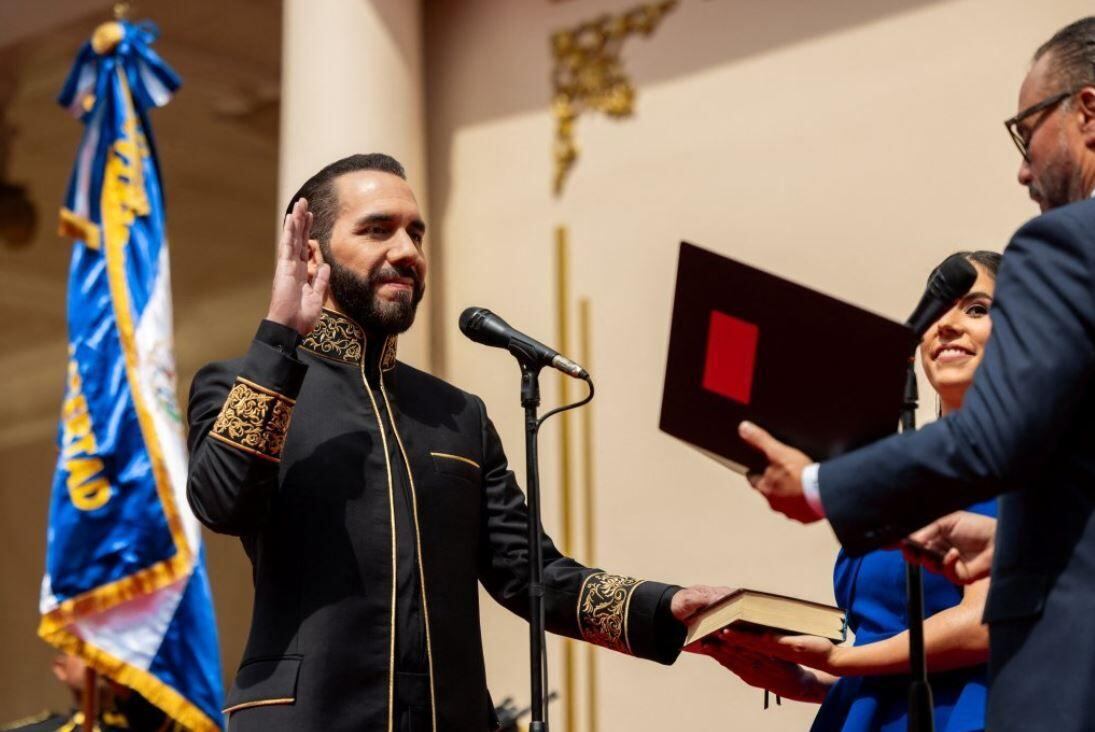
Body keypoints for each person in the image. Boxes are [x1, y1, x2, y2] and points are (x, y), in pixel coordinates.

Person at [186, 153, 727, 732]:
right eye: (377, 230)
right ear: (313, 254)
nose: (407, 251)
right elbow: (222, 503)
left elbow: (531, 576)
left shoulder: (457, 414)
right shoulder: (245, 380)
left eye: (415, 234)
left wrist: (663, 607)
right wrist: (279, 338)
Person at [732, 17, 1095, 731]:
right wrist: (1011, 548)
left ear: (1086, 110)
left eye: (1026, 132)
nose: (1023, 170)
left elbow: (990, 442)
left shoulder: (1067, 244)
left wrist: (819, 483)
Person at [700, 252, 1001, 732]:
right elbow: (885, 642)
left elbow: (986, 621)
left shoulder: (1037, 454)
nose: (946, 325)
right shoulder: (899, 468)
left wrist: (842, 660)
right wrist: (809, 682)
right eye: (939, 311)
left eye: (977, 309)